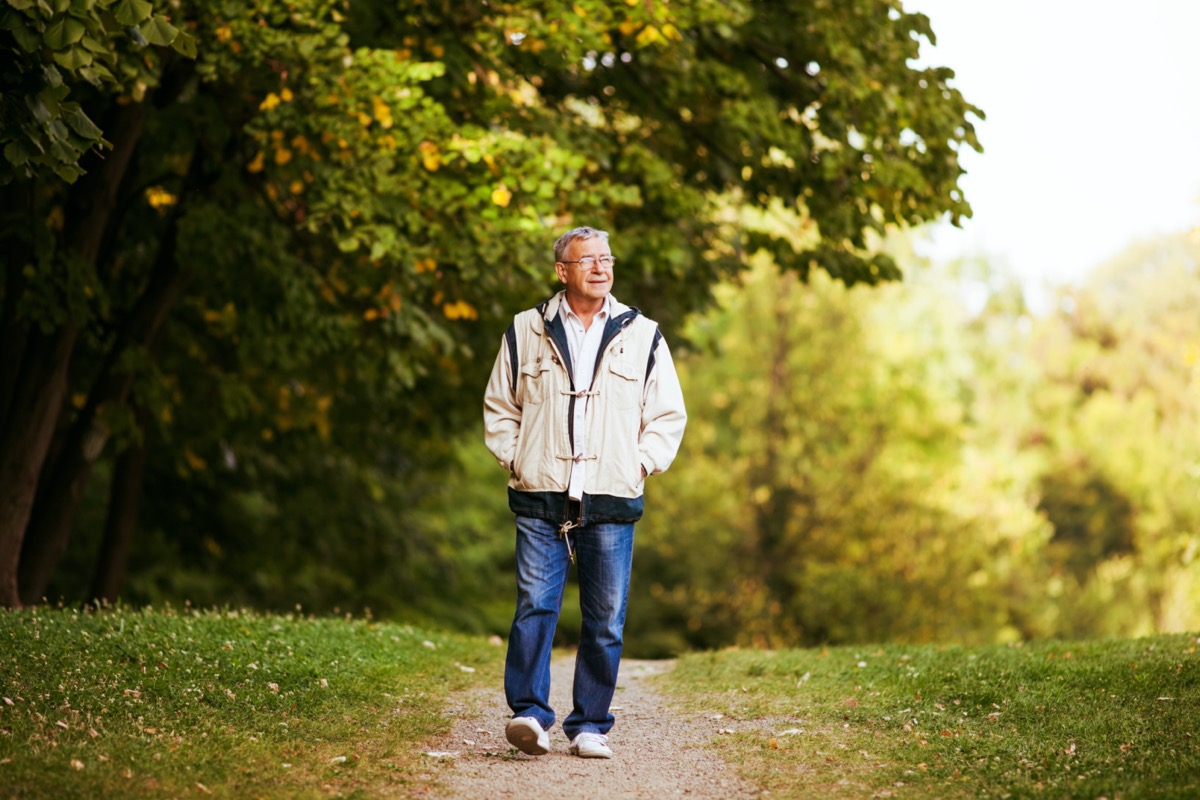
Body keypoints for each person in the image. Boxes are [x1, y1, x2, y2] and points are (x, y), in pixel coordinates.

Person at [482, 226, 687, 759]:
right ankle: (529, 715)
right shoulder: (526, 329)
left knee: (606, 618)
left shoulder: (643, 333)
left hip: (611, 497)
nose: (601, 267)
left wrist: (637, 465)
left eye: (607, 258)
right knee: (534, 607)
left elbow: (667, 415)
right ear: (562, 271)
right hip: (540, 493)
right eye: (588, 259)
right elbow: (500, 408)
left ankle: (590, 724)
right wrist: (518, 458)